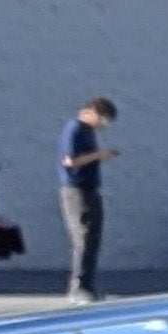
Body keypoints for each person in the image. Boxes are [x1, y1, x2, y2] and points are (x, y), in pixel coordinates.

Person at [58, 97, 118, 302]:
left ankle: (89, 287)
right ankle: (78, 287)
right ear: (91, 112)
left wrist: (98, 155)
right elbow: (69, 160)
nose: (103, 125)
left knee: (92, 238)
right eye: (102, 120)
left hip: (90, 189)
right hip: (76, 191)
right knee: (83, 237)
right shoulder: (74, 129)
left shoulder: (87, 131)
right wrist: (98, 155)